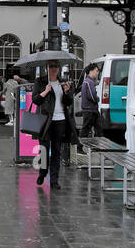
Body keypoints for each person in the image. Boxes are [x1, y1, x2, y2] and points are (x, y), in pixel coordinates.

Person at [34, 61, 75, 190]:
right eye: (51, 66)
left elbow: (68, 102)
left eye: (55, 66)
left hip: (60, 120)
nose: (53, 69)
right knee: (44, 150)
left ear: (59, 68)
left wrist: (67, 92)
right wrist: (45, 91)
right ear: (47, 67)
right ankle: (43, 172)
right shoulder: (40, 82)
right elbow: (36, 100)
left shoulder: (62, 83)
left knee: (57, 151)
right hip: (46, 121)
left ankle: (54, 180)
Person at [79, 63, 101, 139]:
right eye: (96, 71)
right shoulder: (89, 82)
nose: (97, 73)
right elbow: (92, 96)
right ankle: (80, 146)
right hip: (90, 110)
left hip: (90, 110)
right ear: (91, 71)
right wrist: (97, 99)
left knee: (94, 129)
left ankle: (97, 144)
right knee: (87, 129)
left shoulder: (87, 81)